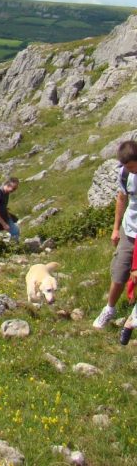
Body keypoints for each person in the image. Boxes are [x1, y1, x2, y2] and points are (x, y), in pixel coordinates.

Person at [93, 140, 137, 329]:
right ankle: (109, 309)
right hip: (130, 229)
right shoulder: (124, 173)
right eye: (128, 167)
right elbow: (121, 198)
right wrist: (116, 228)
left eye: (133, 166)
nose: (131, 170)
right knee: (120, 272)